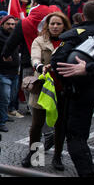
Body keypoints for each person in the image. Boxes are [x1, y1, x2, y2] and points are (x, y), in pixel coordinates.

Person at [52, 1, 94, 177]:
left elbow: (58, 63)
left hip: (83, 89)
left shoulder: (75, 34)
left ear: (83, 16)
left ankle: (87, 173)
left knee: (77, 135)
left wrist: (71, 82)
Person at [21, 12, 71, 171]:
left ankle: (57, 157)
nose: (55, 27)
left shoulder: (69, 41)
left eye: (59, 24)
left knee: (60, 125)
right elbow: (34, 58)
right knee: (37, 124)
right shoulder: (39, 40)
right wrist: (40, 67)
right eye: (52, 24)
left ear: (64, 25)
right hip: (42, 87)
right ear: (47, 25)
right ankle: (34, 155)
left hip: (62, 89)